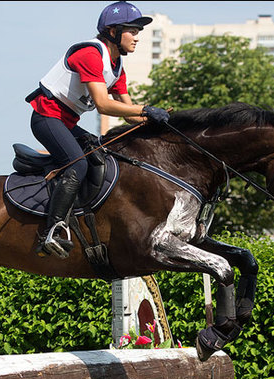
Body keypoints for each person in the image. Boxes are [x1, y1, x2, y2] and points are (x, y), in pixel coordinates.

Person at [25, 1, 171, 258]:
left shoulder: (117, 68)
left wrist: (158, 120)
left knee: (101, 154)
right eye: (133, 31)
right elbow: (104, 105)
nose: (137, 38)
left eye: (138, 32)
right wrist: (146, 109)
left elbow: (130, 115)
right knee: (78, 165)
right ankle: (50, 231)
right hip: (46, 118)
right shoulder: (91, 55)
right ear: (114, 32)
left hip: (67, 123)